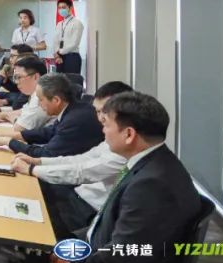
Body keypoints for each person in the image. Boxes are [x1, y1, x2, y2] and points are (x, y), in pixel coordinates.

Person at [18, 92, 201, 263]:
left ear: (129, 134)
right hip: (121, 262)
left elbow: (122, 256)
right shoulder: (153, 164)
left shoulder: (151, 184)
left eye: (106, 125)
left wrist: (74, 261)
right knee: (38, 258)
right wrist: (68, 248)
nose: (102, 131)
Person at [11, 81, 133, 236]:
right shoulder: (112, 135)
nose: (101, 118)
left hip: (88, 210)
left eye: (105, 112)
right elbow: (81, 159)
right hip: (79, 195)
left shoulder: (124, 148)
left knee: (30, 212)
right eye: (98, 111)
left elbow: (82, 171)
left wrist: (32, 169)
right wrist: (39, 162)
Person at [0, 73, 102, 158]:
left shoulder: (74, 120)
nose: (39, 104)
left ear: (56, 100)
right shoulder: (71, 109)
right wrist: (9, 136)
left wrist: (8, 142)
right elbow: (48, 132)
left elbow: (46, 154)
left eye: (40, 100)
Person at [0, 55, 50, 131]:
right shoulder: (35, 94)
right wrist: (2, 115)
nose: (16, 82)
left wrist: (7, 116)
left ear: (35, 77)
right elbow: (23, 111)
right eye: (15, 78)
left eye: (19, 77)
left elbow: (20, 127)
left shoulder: (41, 97)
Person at [53, 0, 84, 74]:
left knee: (71, 80)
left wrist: (60, 52)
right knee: (59, 80)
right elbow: (56, 41)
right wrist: (57, 55)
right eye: (59, 8)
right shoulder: (59, 24)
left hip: (72, 57)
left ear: (70, 8)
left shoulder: (77, 23)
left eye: (63, 7)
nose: (61, 10)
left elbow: (74, 43)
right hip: (60, 57)